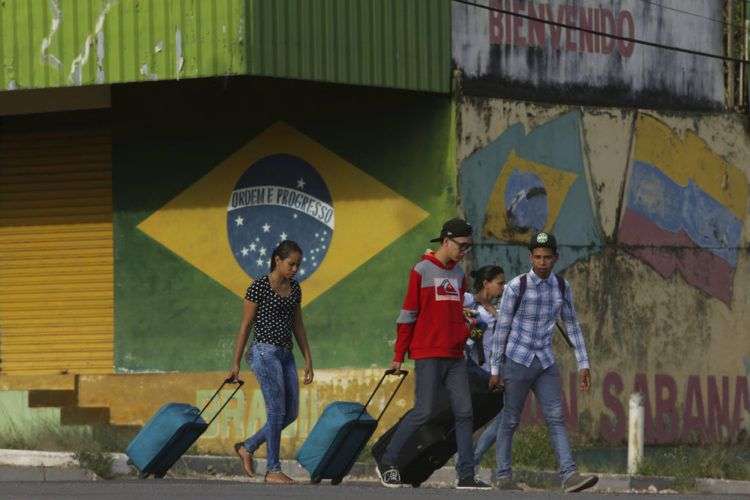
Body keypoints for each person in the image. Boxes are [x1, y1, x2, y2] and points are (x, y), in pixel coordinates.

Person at [378, 218, 491, 490]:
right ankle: (388, 462)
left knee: (465, 413)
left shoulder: (459, 275)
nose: (464, 251)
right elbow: (408, 314)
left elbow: (457, 314)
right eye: (461, 245)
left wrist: (466, 332)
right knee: (424, 411)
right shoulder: (421, 270)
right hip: (428, 353)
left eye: (468, 246)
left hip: (455, 356)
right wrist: (398, 353)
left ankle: (465, 475)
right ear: (446, 241)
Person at [488, 232, 598, 492]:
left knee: (556, 417)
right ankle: (503, 475)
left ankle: (569, 475)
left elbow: (572, 325)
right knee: (511, 419)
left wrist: (583, 363)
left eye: (547, 257)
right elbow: (501, 329)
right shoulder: (517, 286)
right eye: (537, 257)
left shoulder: (561, 287)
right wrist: (495, 369)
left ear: (555, 258)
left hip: (545, 362)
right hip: (517, 360)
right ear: (530, 258)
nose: (542, 262)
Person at [228, 240, 314, 484]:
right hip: (263, 352)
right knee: (276, 410)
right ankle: (273, 470)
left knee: (290, 413)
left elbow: (298, 324)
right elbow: (245, 325)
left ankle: (248, 446)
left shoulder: (295, 289)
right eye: (291, 264)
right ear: (277, 259)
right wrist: (235, 363)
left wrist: (308, 357)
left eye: (298, 265)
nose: (295, 269)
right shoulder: (258, 287)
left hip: (286, 353)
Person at [462, 265, 506, 466]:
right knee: (468, 419)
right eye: (500, 283)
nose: (503, 287)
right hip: (477, 371)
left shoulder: (498, 307)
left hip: (495, 369)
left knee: (505, 418)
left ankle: (471, 461)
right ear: (486, 283)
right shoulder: (470, 301)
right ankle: (465, 463)